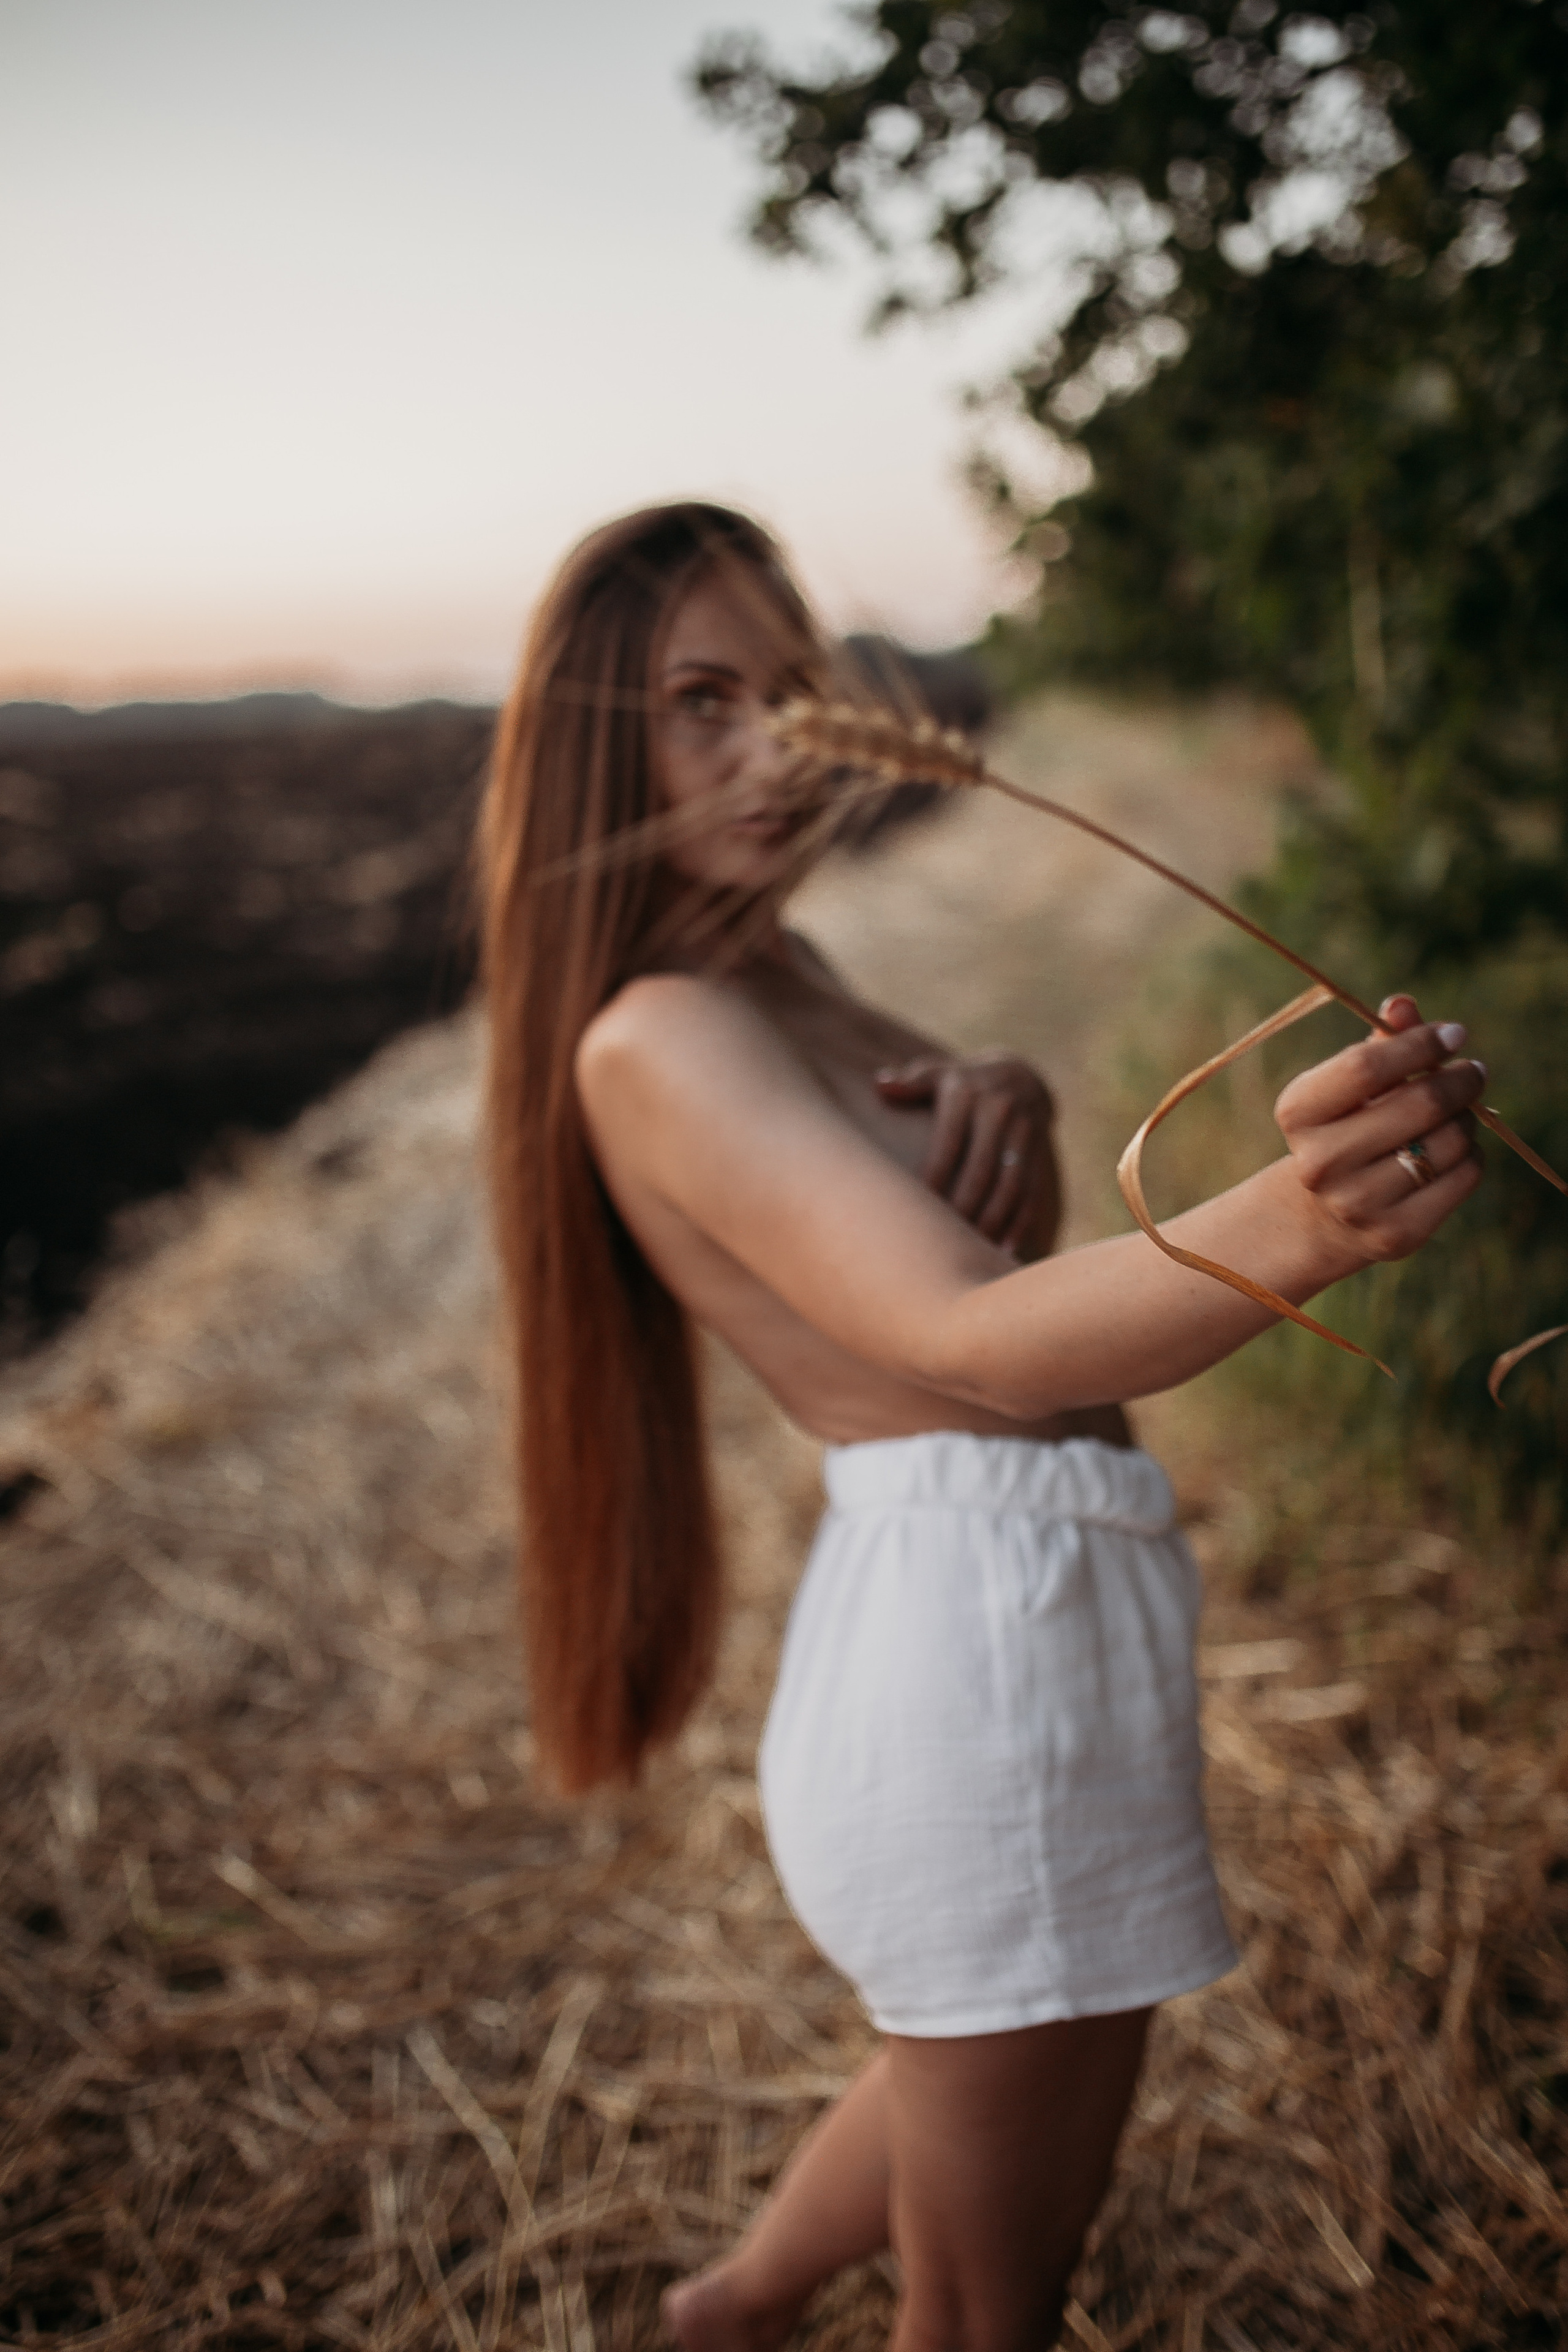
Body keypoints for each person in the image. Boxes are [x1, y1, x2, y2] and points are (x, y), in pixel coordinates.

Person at [478, 502, 1483, 2352]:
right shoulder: (657, 1033)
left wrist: (1000, 1087)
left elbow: (896, 1230)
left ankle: (733, 2306)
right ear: (591, 737)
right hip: (975, 1676)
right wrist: (1308, 1223)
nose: (772, 745)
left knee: (977, 2077)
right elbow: (970, 1337)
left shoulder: (773, 977)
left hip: (1030, 1623)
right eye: (702, 699)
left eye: (790, 690)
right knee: (986, 2308)